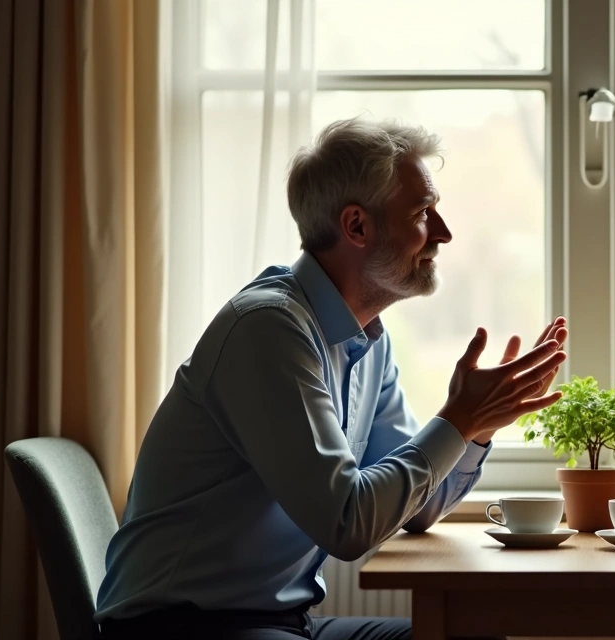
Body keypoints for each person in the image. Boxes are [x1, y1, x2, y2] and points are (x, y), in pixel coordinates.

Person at [95, 118, 568, 640]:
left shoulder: (369, 341)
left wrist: (478, 428)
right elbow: (348, 523)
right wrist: (458, 418)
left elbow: (418, 508)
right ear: (357, 227)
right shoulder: (269, 331)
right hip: (182, 628)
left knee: (469, 631)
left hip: (281, 624)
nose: (443, 232)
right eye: (421, 212)